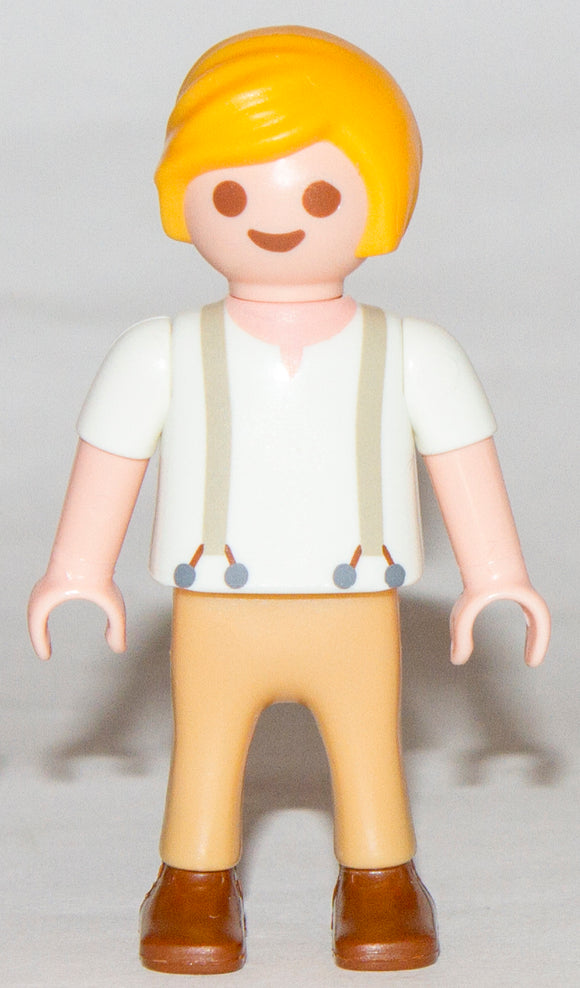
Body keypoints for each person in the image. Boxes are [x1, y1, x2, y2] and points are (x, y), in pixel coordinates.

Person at [28, 27, 550, 974]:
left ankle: (381, 875)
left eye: (320, 195)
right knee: (206, 745)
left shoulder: (412, 352)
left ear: (381, 202)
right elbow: (111, 459)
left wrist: (497, 575)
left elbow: (463, 462)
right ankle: (193, 878)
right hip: (216, 603)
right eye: (231, 193)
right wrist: (76, 569)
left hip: (354, 602)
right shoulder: (161, 352)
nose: (276, 220)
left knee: (367, 745)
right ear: (183, 197)